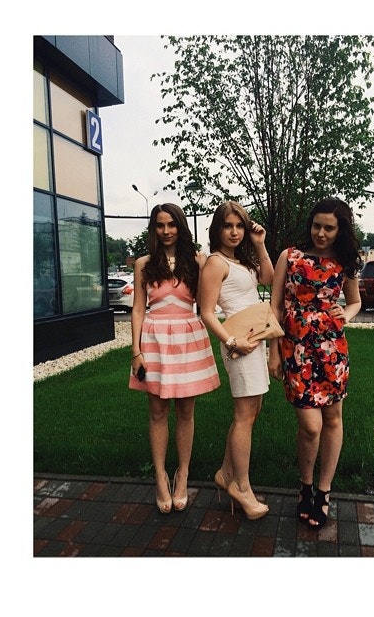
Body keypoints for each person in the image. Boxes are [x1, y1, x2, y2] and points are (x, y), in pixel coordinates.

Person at [268, 197, 362, 529]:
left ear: (340, 230)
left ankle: (323, 491)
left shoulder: (345, 262)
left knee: (333, 419)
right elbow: (275, 307)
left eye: (329, 228)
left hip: (332, 351)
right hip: (296, 350)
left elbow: (355, 302)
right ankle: (305, 484)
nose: (321, 233)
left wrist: (345, 314)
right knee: (310, 426)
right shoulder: (290, 256)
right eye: (317, 225)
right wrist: (273, 351)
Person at [129, 203, 220, 514]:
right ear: (153, 229)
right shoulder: (143, 264)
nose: (166, 231)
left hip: (187, 338)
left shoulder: (196, 261)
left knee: (185, 410)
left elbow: (207, 304)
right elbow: (138, 309)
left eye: (171, 224)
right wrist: (136, 351)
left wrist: (204, 268)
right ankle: (160, 477)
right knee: (157, 411)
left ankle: (183, 474)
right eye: (160, 225)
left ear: (181, 227)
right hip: (153, 339)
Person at [199, 201, 275, 520]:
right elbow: (206, 312)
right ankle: (241, 487)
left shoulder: (241, 260)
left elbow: (269, 278)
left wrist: (260, 244)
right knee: (244, 415)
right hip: (237, 342)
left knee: (252, 411)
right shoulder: (215, 263)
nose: (234, 232)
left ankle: (226, 473)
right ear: (217, 229)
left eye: (239, 226)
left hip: (253, 339)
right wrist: (232, 342)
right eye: (228, 226)